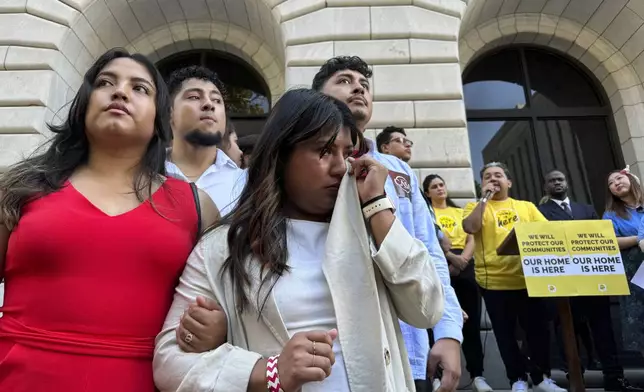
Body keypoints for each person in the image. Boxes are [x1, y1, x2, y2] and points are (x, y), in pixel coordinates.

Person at [153, 88, 445, 391]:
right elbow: (169, 361)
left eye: (347, 154)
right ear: (281, 155)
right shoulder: (224, 247)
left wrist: (378, 206)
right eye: (324, 151)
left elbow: (426, 310)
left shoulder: (371, 228)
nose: (341, 167)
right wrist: (268, 372)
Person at [0, 48, 218, 391]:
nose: (120, 92)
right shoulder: (20, 187)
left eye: (140, 88)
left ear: (159, 119)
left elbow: (225, 307)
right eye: (106, 82)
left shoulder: (198, 206)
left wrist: (213, 327)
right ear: (85, 103)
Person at [312, 56, 463, 392]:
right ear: (317, 97)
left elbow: (429, 253)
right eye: (345, 81)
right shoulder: (303, 166)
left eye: (365, 85)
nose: (358, 89)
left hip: (406, 346)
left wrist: (448, 331)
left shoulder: (399, 170)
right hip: (329, 349)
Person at [462, 162, 564, 392]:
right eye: (487, 176)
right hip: (494, 283)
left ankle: (541, 378)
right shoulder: (475, 206)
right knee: (505, 335)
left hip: (528, 280)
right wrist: (483, 200)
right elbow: (470, 226)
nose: (493, 179)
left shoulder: (526, 207)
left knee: (537, 331)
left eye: (498, 175)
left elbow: (545, 232)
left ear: (509, 182)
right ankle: (517, 379)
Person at [540, 169, 639, 392]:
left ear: (567, 183)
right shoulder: (540, 212)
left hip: (594, 280)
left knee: (604, 331)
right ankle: (575, 378)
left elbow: (601, 239)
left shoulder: (586, 209)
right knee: (568, 332)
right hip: (564, 282)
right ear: (545, 187)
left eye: (560, 179)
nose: (557, 183)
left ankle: (614, 378)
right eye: (552, 180)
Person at [424, 174, 491, 392]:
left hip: (464, 265)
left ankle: (477, 375)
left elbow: (471, 236)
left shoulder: (460, 211)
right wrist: (451, 259)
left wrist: (463, 259)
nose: (440, 188)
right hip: (439, 265)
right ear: (427, 193)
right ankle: (437, 377)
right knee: (437, 322)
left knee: (470, 323)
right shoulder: (427, 212)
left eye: (442, 184)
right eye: (434, 186)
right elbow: (430, 237)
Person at [165, 65, 246, 215]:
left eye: (216, 100)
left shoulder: (246, 185)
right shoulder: (141, 177)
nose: (209, 104)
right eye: (194, 97)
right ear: (170, 112)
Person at [603, 167, 644, 361]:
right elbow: (610, 242)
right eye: (611, 183)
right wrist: (640, 238)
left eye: (618, 178)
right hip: (636, 275)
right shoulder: (612, 215)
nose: (615, 183)